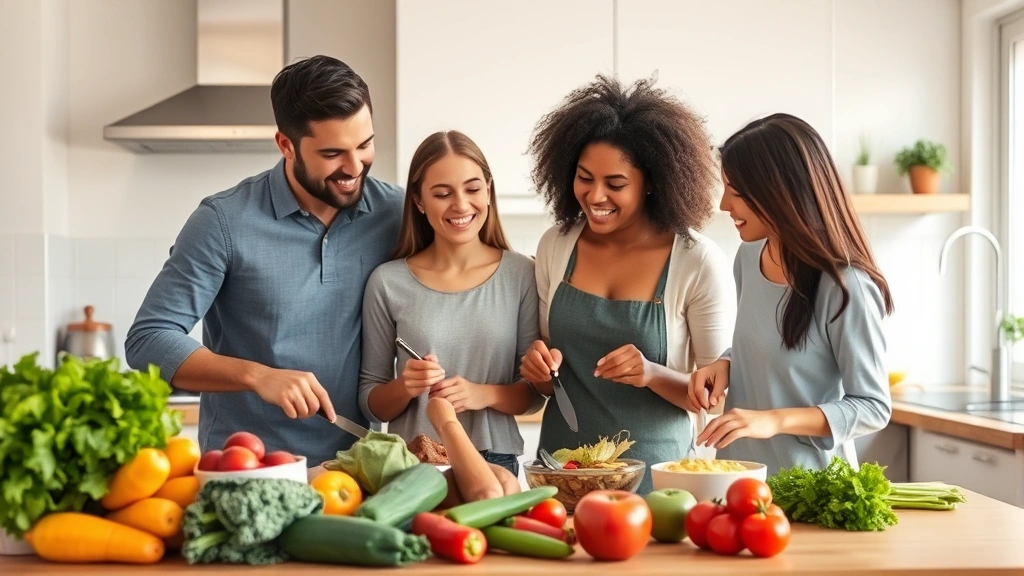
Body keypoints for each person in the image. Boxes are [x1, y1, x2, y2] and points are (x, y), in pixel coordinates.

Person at [125, 56, 404, 466]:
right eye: (332, 153)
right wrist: (257, 376)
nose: (353, 166)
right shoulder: (223, 221)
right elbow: (149, 338)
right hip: (247, 468)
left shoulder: (395, 213)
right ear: (286, 145)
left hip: (358, 471)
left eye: (364, 145)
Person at [519, 75, 736, 494]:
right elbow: (549, 382)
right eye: (584, 178)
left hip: (658, 481)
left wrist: (652, 374)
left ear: (652, 181)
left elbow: (715, 399)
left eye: (615, 184)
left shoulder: (696, 261)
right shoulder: (557, 245)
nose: (595, 196)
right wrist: (537, 369)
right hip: (560, 474)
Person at [689, 113, 893, 475]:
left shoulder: (846, 286)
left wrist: (775, 421)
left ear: (780, 193)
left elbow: (873, 407)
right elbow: (768, 344)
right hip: (743, 480)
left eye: (735, 193)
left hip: (813, 491)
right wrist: (727, 363)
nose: (723, 205)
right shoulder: (750, 257)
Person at [358, 130, 544, 478]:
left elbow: (533, 394)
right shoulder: (387, 282)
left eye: (473, 189)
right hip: (413, 462)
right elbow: (370, 401)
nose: (460, 205)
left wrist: (481, 394)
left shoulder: (521, 274)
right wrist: (404, 387)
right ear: (419, 201)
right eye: (442, 194)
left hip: (494, 460)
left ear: (488, 190)